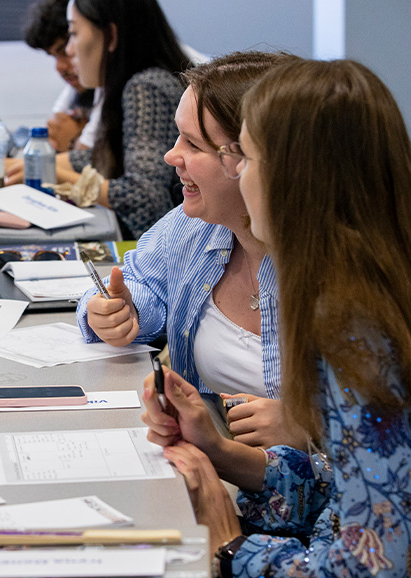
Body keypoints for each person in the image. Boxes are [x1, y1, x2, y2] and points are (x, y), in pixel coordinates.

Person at [143, 58, 411, 576]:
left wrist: (231, 545)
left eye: (245, 156)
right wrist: (219, 452)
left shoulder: (359, 332)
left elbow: (366, 566)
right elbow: (347, 490)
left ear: (298, 179)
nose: (238, 175)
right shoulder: (357, 289)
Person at [78, 51, 304, 449]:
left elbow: (382, 431)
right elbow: (141, 283)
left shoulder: (341, 269)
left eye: (193, 144)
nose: (170, 156)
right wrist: (117, 312)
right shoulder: (192, 226)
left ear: (257, 158)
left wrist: (314, 428)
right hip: (219, 466)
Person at [6, 0, 191, 239]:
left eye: (74, 34)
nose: (70, 49)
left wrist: (57, 175)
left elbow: (145, 199)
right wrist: (0, 165)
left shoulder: (147, 88)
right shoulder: (127, 83)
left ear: (112, 36)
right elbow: (104, 159)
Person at [23, 0, 99, 153]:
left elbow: (80, 154)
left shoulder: (113, 87)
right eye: (54, 56)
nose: (60, 67)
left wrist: (72, 142)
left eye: (63, 50)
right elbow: (53, 135)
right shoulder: (77, 85)